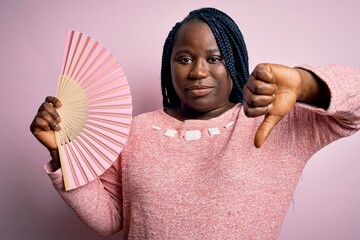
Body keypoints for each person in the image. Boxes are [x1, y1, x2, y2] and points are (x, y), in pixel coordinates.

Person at [30, 7, 360, 240]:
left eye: (214, 59)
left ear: (234, 63)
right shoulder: (134, 133)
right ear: (168, 66)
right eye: (184, 58)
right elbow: (108, 221)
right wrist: (64, 153)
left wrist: (305, 84)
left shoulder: (275, 124)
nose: (198, 71)